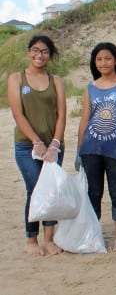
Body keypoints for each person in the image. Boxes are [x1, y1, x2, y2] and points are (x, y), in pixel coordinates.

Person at [75, 42, 116, 252]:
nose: (103, 62)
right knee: (93, 193)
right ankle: (93, 234)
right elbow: (85, 120)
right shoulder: (90, 88)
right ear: (94, 63)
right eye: (99, 59)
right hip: (91, 149)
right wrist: (79, 150)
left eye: (107, 58)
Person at [8, 35, 66, 256]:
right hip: (26, 146)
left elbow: (61, 115)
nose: (39, 55)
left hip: (53, 145)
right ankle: (31, 239)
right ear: (28, 52)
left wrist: (55, 143)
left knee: (50, 190)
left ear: (49, 55)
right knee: (34, 189)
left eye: (44, 51)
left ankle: (49, 239)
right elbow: (17, 113)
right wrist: (37, 142)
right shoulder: (17, 79)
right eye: (35, 50)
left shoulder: (56, 81)